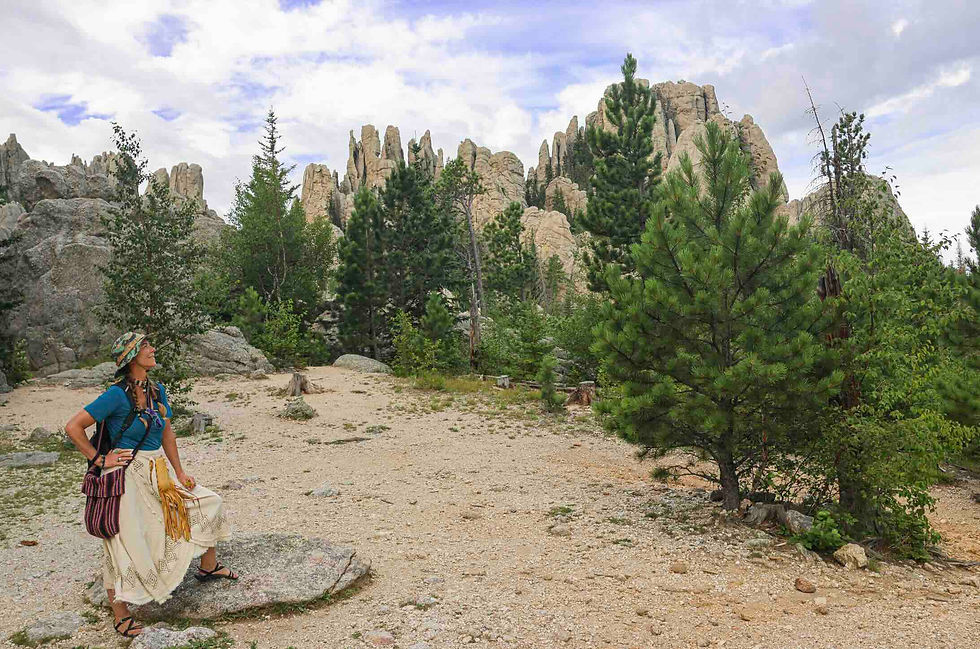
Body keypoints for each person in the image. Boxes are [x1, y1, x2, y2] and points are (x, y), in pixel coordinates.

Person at [65, 332, 237, 638]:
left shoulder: (157, 391)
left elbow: (167, 434)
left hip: (158, 472)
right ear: (132, 357)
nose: (152, 349)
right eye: (145, 346)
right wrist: (100, 460)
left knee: (207, 502)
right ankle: (120, 615)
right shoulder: (115, 395)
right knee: (124, 544)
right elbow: (73, 427)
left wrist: (180, 473)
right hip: (126, 477)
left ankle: (208, 566)